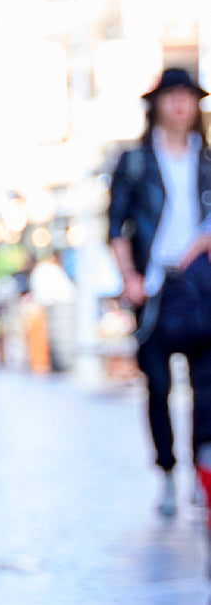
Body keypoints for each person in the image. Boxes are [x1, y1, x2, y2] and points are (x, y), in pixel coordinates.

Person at [109, 67, 211, 516]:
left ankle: (201, 472)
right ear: (156, 104)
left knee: (206, 387)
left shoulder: (206, 161)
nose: (180, 104)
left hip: (200, 284)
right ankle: (168, 472)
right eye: (171, 96)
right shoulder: (134, 162)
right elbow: (115, 225)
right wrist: (129, 276)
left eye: (187, 96)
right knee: (158, 386)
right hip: (153, 287)